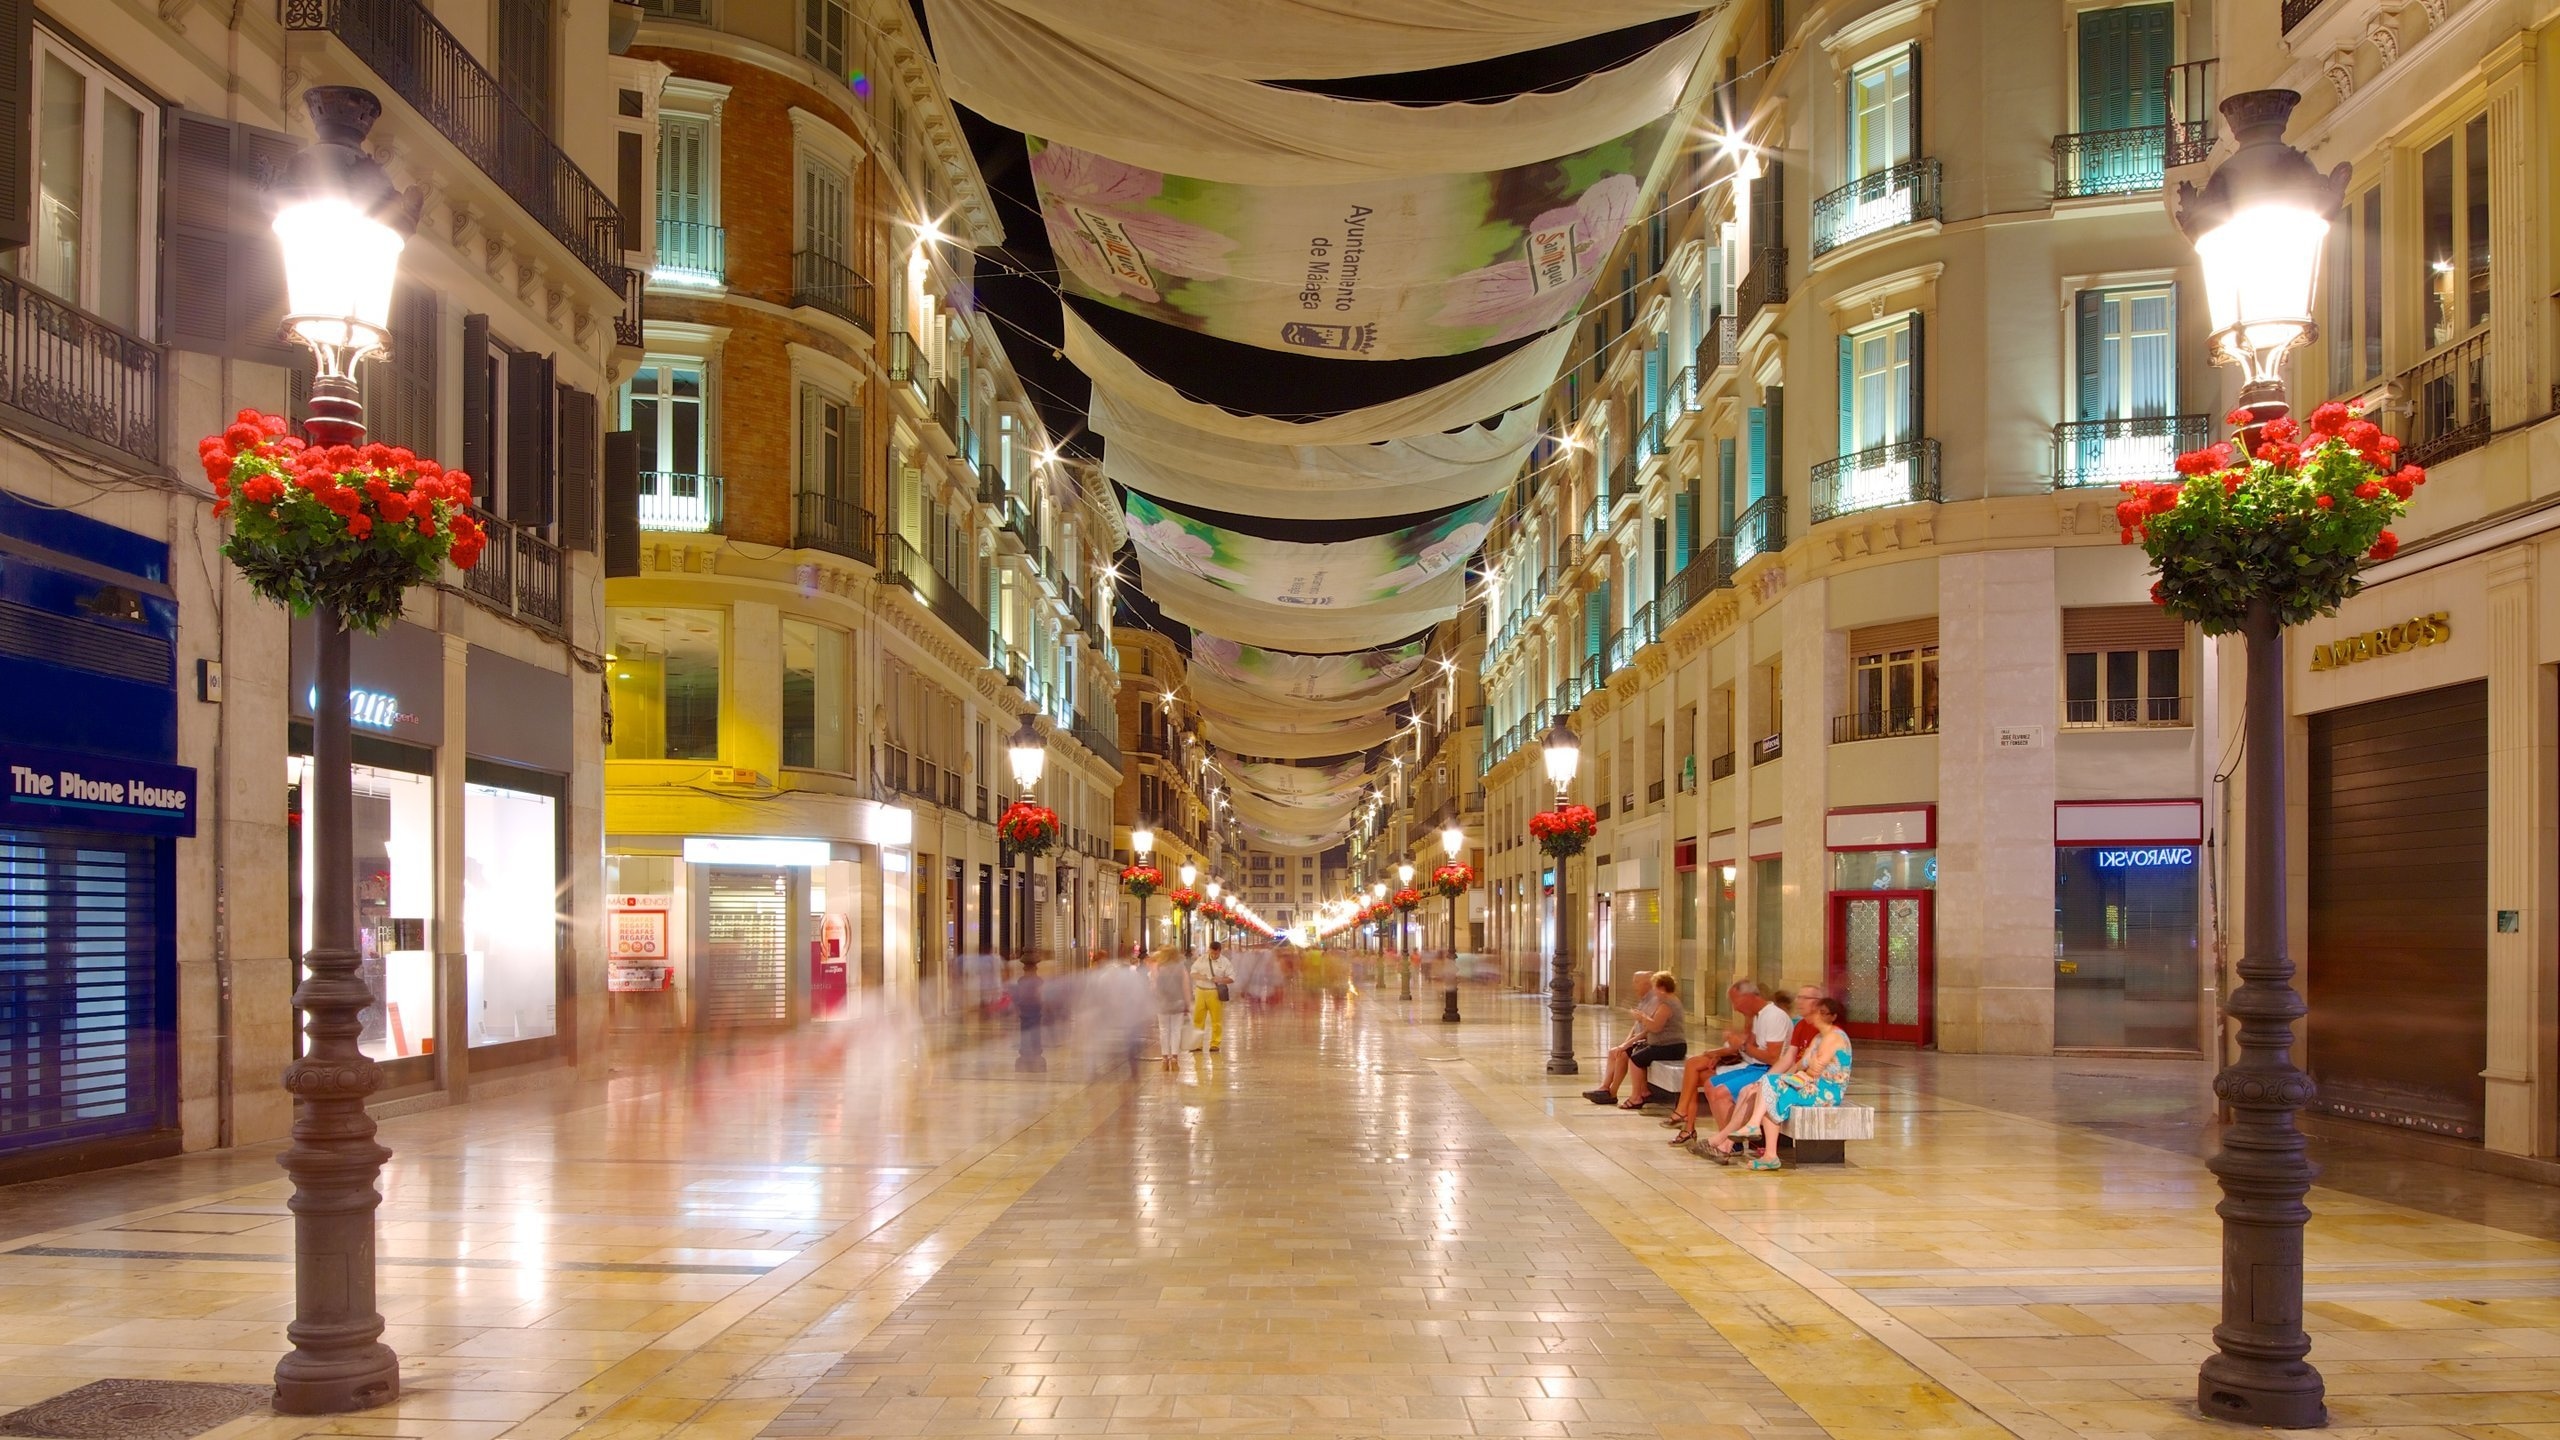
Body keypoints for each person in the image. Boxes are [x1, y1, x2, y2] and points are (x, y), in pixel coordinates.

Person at [1703, 996, 1854, 1169]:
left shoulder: (1834, 1037)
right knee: (1765, 1088)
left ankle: (1748, 1129)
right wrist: (1783, 1078)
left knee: (1769, 1087)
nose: (1817, 1016)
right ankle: (1769, 1154)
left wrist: (1792, 1077)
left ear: (1832, 1016)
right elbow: (1799, 1064)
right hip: (1811, 1085)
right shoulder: (1819, 1037)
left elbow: (1815, 1070)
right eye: (1816, 1012)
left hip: (1825, 1091)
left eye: (1822, 1013)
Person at [1663, 979, 1793, 1144]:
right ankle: (1702, 1130)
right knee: (1707, 1081)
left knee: (1718, 1090)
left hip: (1765, 1069)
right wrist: (1723, 1052)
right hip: (1752, 1065)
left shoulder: (1774, 1016)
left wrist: (1741, 1045)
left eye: (1735, 1001)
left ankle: (1726, 1142)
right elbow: (1745, 1046)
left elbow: (1772, 1058)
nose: (1735, 1007)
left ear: (1749, 997)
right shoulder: (1756, 1016)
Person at [1583, 971, 1659, 1105]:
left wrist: (1626, 1045)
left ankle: (1612, 1092)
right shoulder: (1644, 999)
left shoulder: (1654, 1001)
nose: (1633, 985)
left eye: (1637, 982)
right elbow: (1637, 1025)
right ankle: (1604, 1087)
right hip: (1639, 1040)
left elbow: (1648, 1029)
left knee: (1622, 1054)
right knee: (1614, 1051)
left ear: (1647, 983)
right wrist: (1626, 1041)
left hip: (1648, 1042)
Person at [1616, 973, 1686, 1107]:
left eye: (1655, 987)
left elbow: (1655, 1027)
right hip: (1664, 1045)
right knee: (1636, 1053)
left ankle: (1636, 1097)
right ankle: (1643, 1091)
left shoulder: (1667, 1004)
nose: (1653, 991)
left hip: (1670, 1046)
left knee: (1635, 1060)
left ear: (1662, 988)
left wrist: (1642, 1017)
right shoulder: (1667, 1001)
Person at [1148, 948, 1191, 1068]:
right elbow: (1186, 986)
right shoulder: (1181, 967)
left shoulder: (1157, 967)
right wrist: (1188, 1004)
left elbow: (1153, 986)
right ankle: (1174, 1059)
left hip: (1162, 1003)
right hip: (1178, 1002)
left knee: (1164, 1030)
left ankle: (1164, 1059)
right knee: (1176, 1030)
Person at [1190, 941, 1236, 1052]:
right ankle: (1197, 1044)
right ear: (1209, 950)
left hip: (1214, 992)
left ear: (1220, 951)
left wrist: (1220, 979)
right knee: (1198, 1019)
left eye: (1216, 954)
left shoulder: (1225, 962)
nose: (1214, 956)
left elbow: (1232, 978)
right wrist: (1202, 977)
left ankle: (1215, 1043)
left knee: (1216, 1019)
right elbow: (1192, 973)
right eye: (1212, 953)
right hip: (1201, 991)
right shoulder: (1201, 959)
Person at [1012, 955, 1046, 1073]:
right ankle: (1033, 1055)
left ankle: (1028, 1054)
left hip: (1030, 1011)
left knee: (1028, 1032)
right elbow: (1040, 994)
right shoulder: (1037, 981)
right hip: (1031, 1010)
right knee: (1031, 1032)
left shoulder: (1023, 980)